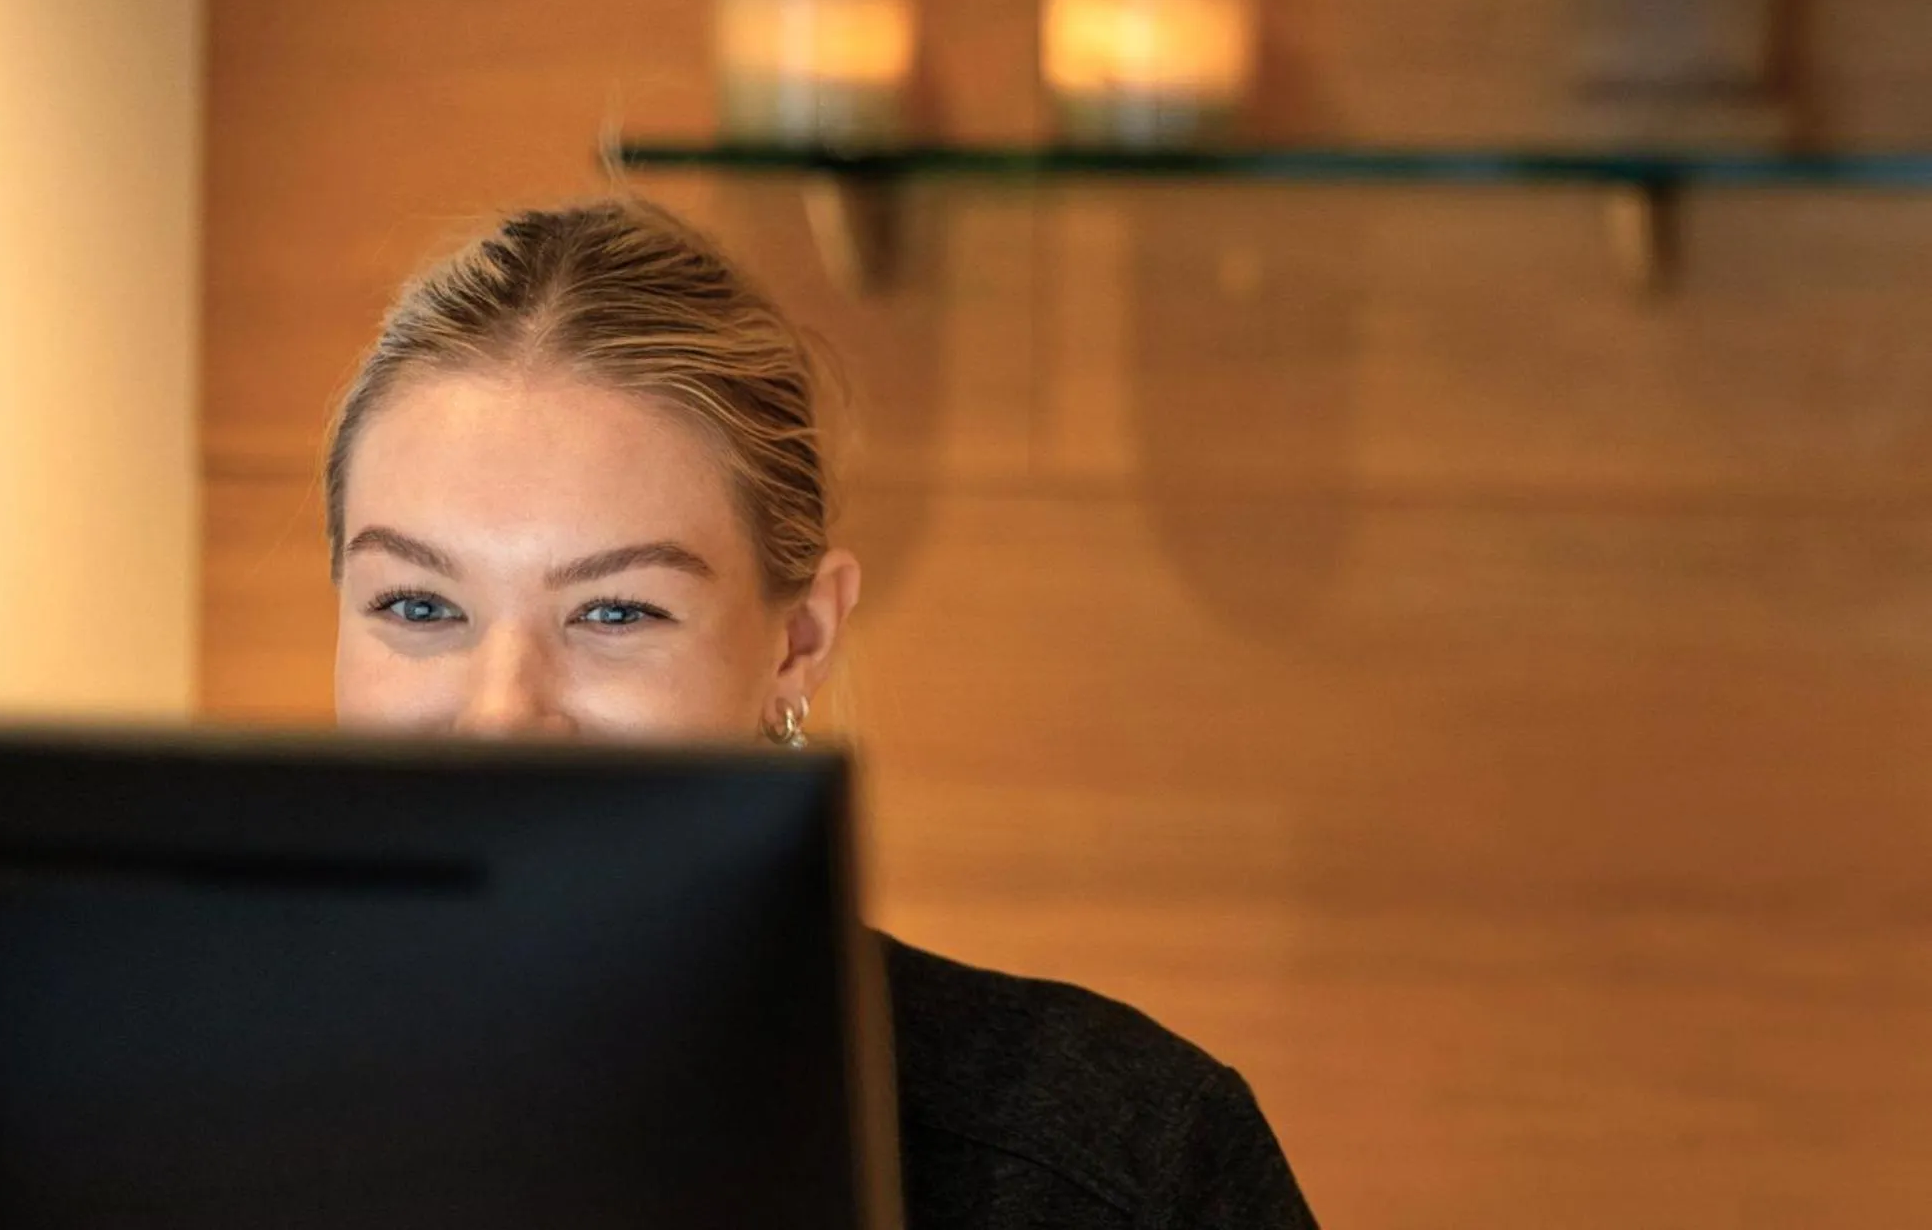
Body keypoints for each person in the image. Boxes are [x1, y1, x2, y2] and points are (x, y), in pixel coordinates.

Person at [325, 196, 1318, 1229]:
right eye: (419, 604)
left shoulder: (1123, 1160)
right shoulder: (156, 1090)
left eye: (615, 610)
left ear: (797, 641)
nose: (501, 716)